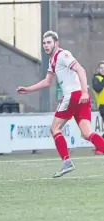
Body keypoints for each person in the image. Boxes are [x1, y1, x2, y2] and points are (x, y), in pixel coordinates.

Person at [16, 31, 104, 178]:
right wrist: (28, 89)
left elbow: (80, 69)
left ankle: (66, 162)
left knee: (55, 128)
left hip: (74, 96)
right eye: (44, 43)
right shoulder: (53, 61)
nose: (46, 45)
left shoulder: (63, 55)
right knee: (87, 133)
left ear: (56, 43)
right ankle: (67, 161)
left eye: (49, 42)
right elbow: (47, 82)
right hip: (80, 98)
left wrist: (83, 92)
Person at [92, 61, 104, 150]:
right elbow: (98, 88)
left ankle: (99, 146)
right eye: (101, 68)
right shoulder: (96, 78)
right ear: (98, 69)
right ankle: (99, 146)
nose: (103, 70)